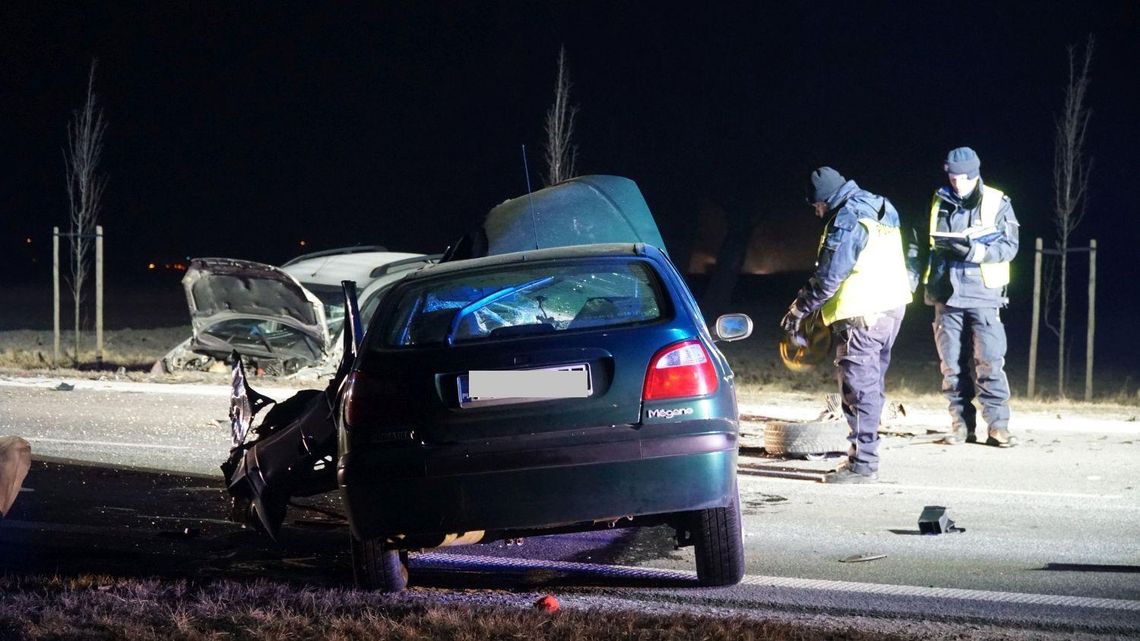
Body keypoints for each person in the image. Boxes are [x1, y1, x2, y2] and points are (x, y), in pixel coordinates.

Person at [781, 167, 916, 484]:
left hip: (862, 315)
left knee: (858, 390)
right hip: (891, 308)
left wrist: (800, 309)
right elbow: (908, 252)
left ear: (824, 200)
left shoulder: (846, 218)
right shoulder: (883, 207)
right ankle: (865, 455)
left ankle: (862, 464)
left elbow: (829, 277)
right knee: (873, 386)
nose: (816, 212)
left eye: (816, 206)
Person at [924, 147, 1019, 447]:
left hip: (983, 295)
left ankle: (998, 427)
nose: (957, 183)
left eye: (963, 178)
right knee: (951, 366)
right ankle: (961, 426)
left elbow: (1009, 246)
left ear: (975, 174)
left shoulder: (997, 201)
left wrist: (975, 251)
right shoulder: (940, 199)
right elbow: (928, 243)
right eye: (952, 177)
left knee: (989, 362)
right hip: (947, 295)